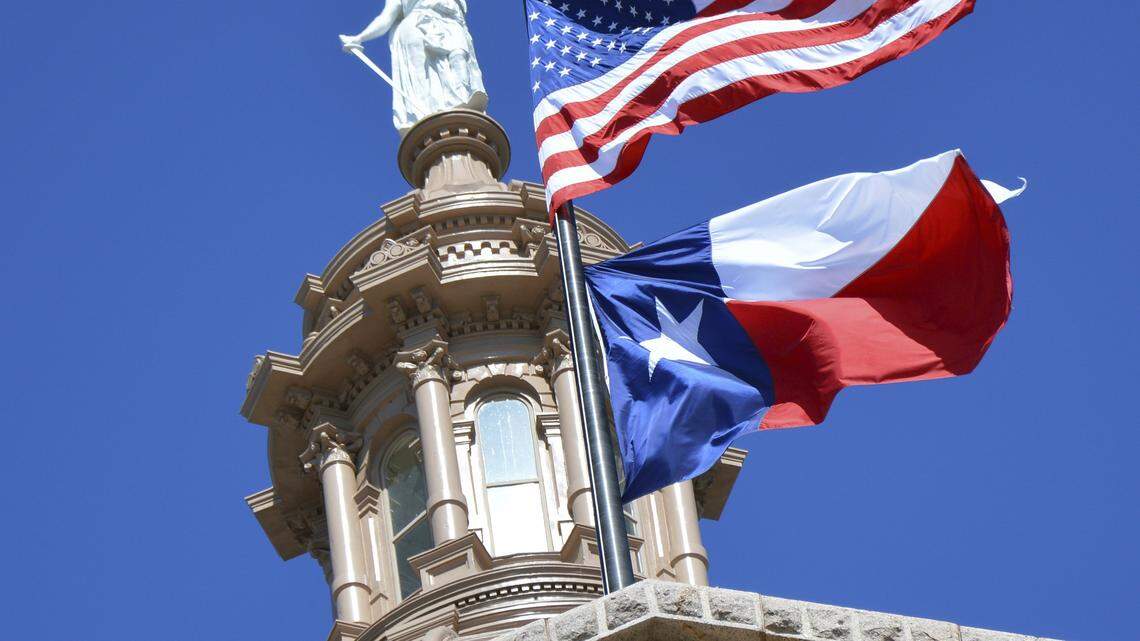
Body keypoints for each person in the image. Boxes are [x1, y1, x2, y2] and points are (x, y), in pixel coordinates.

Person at [340, 0, 488, 133]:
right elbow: (386, 18)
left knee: (459, 56)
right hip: (417, 25)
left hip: (451, 23)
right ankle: (432, 115)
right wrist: (359, 38)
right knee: (422, 78)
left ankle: (462, 101)